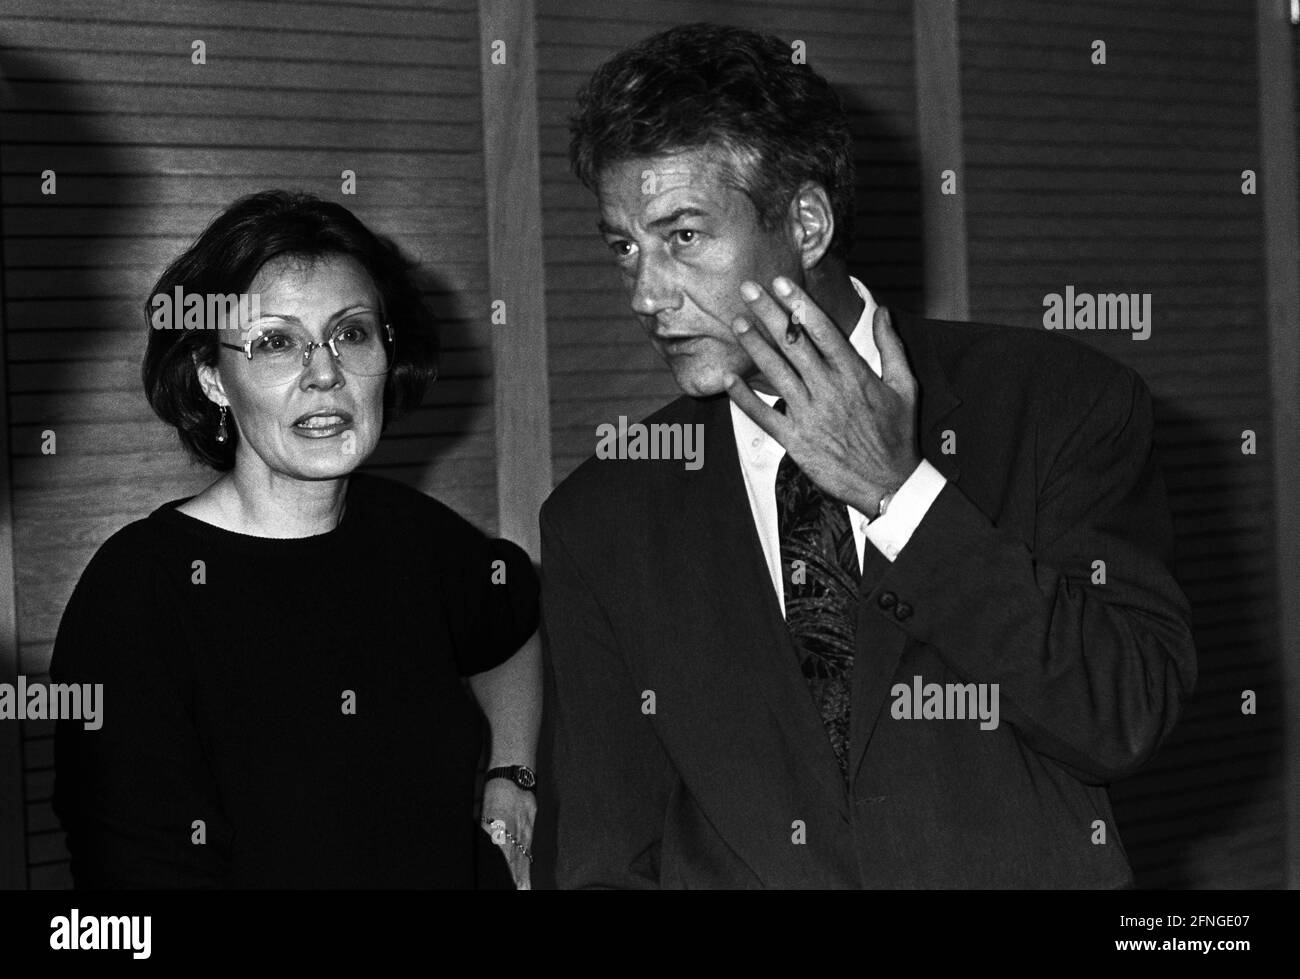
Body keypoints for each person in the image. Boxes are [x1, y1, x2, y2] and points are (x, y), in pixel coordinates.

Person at [535, 23, 1197, 888]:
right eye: (624, 246)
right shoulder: (601, 516)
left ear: (806, 222)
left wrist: (902, 493)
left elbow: (1122, 715)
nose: (646, 293)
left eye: (683, 236)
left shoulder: (1058, 402)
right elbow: (600, 853)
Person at [51, 190, 541, 888]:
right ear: (212, 376)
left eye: (351, 333)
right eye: (275, 341)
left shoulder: (411, 534)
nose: (324, 373)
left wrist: (511, 778)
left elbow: (515, 623)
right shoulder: (139, 594)